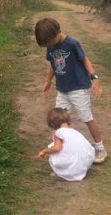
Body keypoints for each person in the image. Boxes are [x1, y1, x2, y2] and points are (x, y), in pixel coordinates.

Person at [34, 17, 107, 164]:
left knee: (86, 118)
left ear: (58, 31)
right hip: (62, 89)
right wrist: (48, 81)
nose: (49, 44)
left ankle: (100, 148)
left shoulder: (72, 43)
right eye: (47, 43)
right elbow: (53, 65)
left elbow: (85, 60)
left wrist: (95, 79)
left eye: (50, 41)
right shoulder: (51, 46)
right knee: (57, 120)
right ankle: (62, 147)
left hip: (79, 88)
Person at [38, 107, 95, 181]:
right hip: (84, 164)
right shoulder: (74, 132)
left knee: (52, 147)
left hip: (73, 167)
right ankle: (77, 169)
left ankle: (62, 172)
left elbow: (57, 148)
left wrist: (44, 151)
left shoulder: (58, 133)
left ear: (52, 124)